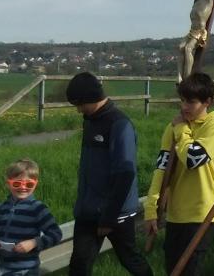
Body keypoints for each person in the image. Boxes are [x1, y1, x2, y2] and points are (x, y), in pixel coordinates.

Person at [65, 72, 152, 276]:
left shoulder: (119, 124)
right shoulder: (89, 121)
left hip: (115, 212)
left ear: (90, 98)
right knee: (79, 264)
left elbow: (125, 173)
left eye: (79, 104)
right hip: (88, 209)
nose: (78, 110)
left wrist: (108, 218)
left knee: (130, 259)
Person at [144, 72, 214, 276]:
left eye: (191, 102)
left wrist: (181, 129)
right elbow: (161, 170)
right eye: (182, 100)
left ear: (208, 102)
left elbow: (193, 159)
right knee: (173, 270)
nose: (184, 107)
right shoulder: (171, 129)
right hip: (175, 214)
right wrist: (151, 209)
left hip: (202, 214)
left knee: (190, 270)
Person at [0, 159, 63, 276]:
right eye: (17, 183)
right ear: (8, 183)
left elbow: (56, 234)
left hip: (27, 270)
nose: (23, 188)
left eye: (29, 184)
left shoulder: (38, 208)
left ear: (35, 184)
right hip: (3, 268)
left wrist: (34, 243)